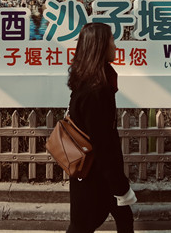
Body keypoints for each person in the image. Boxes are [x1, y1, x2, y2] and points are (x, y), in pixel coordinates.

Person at [66, 22, 136, 233]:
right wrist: (119, 185)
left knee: (124, 218)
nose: (115, 46)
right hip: (94, 175)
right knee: (81, 227)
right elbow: (103, 143)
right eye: (112, 40)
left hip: (95, 172)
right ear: (100, 47)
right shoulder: (96, 91)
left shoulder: (89, 81)